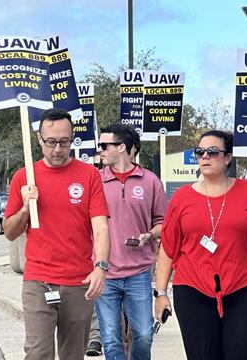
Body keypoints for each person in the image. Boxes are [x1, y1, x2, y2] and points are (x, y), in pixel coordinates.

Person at [154, 130, 247, 360]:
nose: (205, 157)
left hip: (240, 288)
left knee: (244, 353)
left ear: (228, 157)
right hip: (193, 290)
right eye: (200, 152)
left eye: (212, 152)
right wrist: (161, 293)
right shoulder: (181, 198)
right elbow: (168, 249)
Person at [3, 108, 111, 360]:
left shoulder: (89, 175)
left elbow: (101, 227)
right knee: (38, 352)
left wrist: (101, 267)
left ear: (73, 139)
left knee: (73, 354)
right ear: (39, 139)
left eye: (65, 142)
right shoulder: (23, 177)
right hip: (38, 280)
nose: (58, 149)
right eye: (51, 142)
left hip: (78, 281)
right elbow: (10, 232)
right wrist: (25, 207)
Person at [95, 124, 168, 360]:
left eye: (105, 146)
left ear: (122, 147)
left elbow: (162, 222)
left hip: (138, 272)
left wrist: (149, 234)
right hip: (104, 272)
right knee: (111, 337)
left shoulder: (150, 181)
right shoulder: (95, 181)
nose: (101, 150)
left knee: (145, 334)